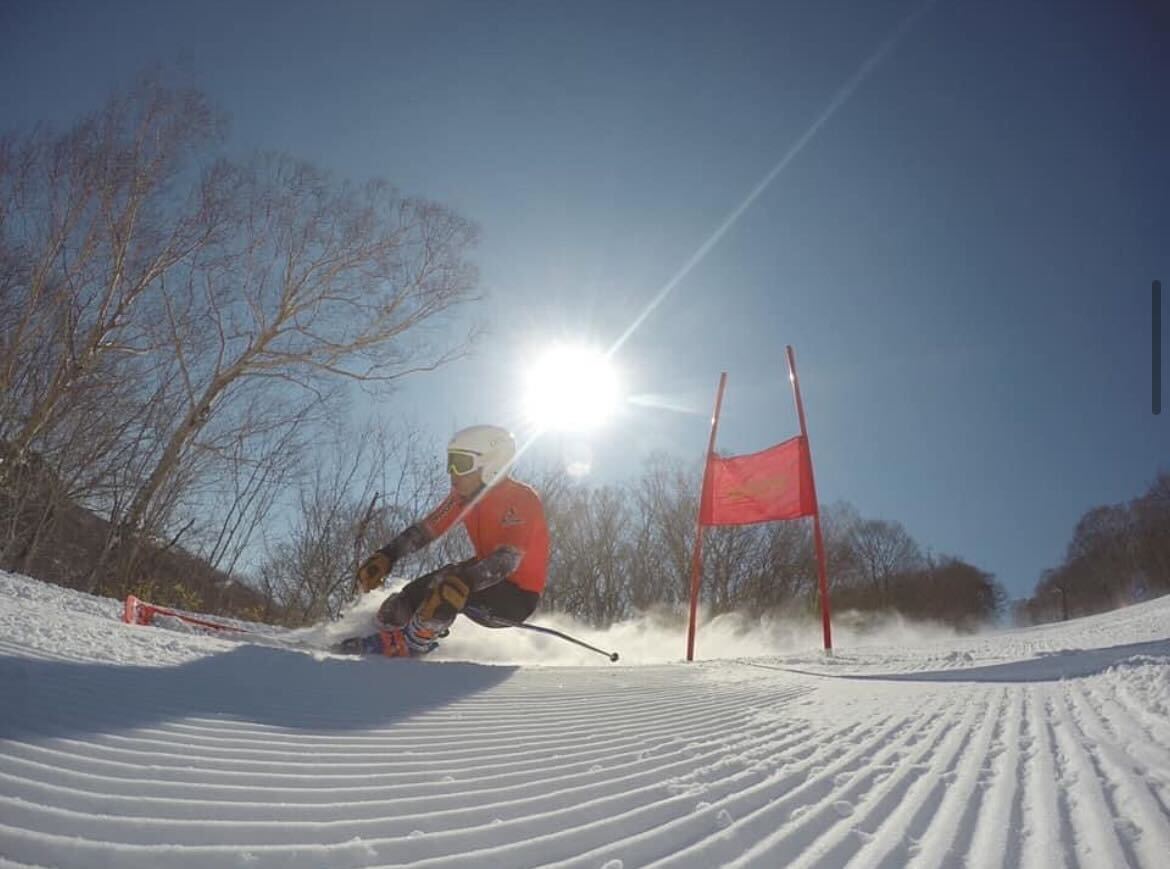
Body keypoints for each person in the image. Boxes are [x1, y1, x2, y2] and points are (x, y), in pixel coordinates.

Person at [343, 424, 549, 657]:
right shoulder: (462, 498)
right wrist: (388, 555)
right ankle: (381, 629)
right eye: (450, 462)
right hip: (478, 577)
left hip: (515, 597)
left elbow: (507, 560)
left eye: (460, 464)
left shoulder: (521, 498)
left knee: (448, 588)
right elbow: (427, 530)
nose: (451, 472)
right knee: (410, 595)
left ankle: (413, 642)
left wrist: (465, 581)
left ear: (492, 464)